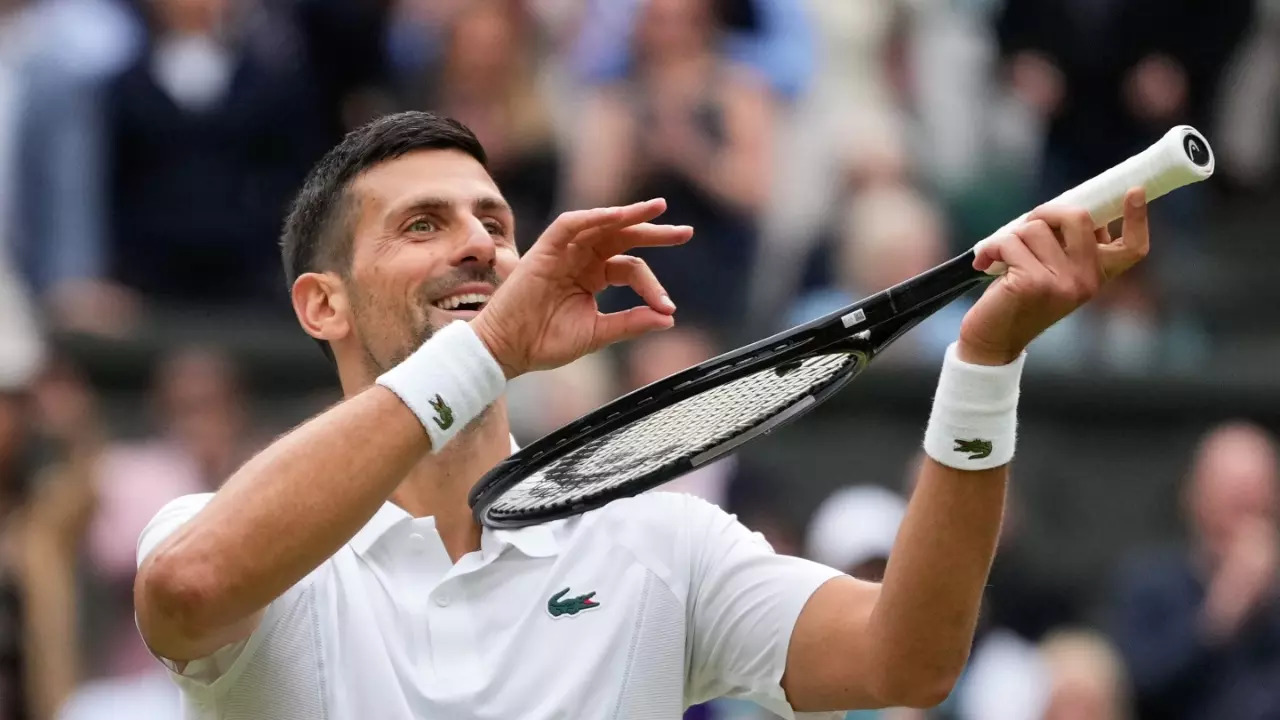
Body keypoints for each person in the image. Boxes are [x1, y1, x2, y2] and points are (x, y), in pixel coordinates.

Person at [132, 110, 1154, 718]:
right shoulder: (230, 538)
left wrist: (983, 361)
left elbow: (909, 657)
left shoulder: (656, 544)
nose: (484, 246)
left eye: (496, 222)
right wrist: (483, 351)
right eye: (422, 225)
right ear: (323, 305)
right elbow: (192, 585)